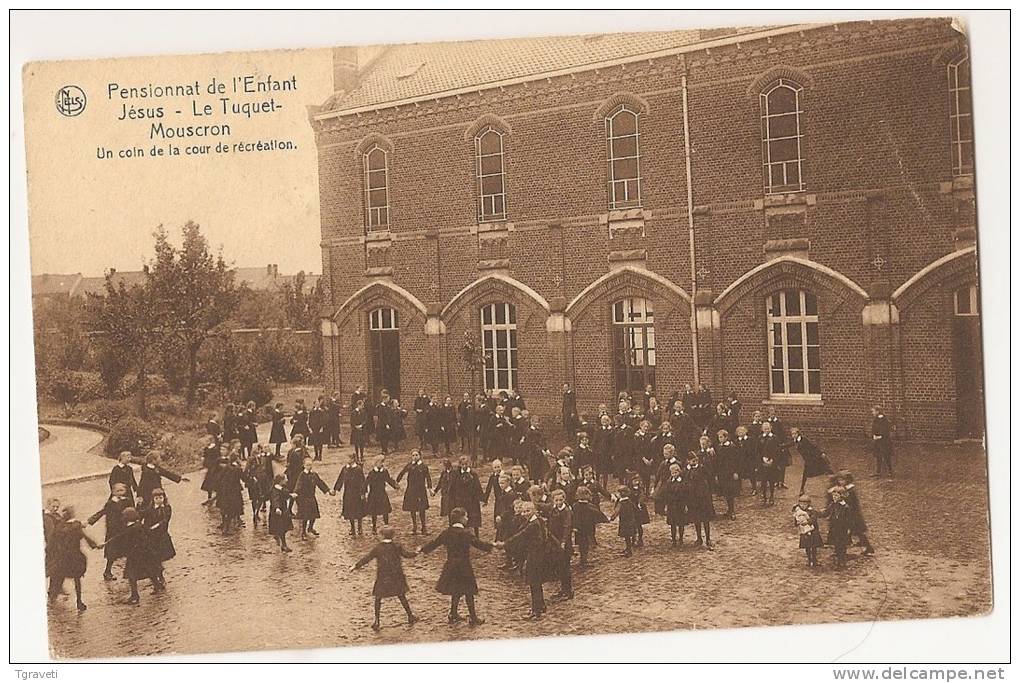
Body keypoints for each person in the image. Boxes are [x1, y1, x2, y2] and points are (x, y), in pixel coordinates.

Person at [417, 507, 497, 625]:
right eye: (466, 516)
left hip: (451, 565)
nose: (467, 518)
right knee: (468, 591)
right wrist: (492, 545)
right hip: (464, 565)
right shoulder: (466, 533)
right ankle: (473, 617)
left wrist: (422, 549)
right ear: (461, 519)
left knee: (456, 589)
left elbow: (435, 543)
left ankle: (453, 614)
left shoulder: (447, 532)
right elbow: (478, 543)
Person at [350, 526, 419, 631]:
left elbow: (367, 558)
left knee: (378, 597)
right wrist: (417, 552)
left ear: (382, 535)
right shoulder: (397, 546)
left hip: (383, 575)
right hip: (396, 575)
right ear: (393, 535)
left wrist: (356, 566)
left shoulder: (378, 547)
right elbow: (407, 555)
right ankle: (410, 616)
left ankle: (377, 621)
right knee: (401, 595)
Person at [505, 501, 556, 619]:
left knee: (534, 583)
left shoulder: (533, 524)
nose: (525, 513)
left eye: (528, 511)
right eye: (523, 511)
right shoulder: (535, 521)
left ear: (533, 510)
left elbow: (521, 535)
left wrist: (505, 544)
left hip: (535, 556)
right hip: (536, 555)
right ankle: (541, 605)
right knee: (536, 582)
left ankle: (535, 611)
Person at [46, 505, 98, 611]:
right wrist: (95, 545)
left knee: (58, 577)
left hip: (62, 557)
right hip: (76, 557)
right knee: (77, 579)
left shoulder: (59, 527)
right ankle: (79, 601)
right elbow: (85, 537)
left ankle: (52, 598)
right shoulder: (76, 526)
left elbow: (52, 542)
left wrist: (50, 553)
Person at [87, 482, 132, 580]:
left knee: (130, 550)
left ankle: (130, 571)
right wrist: (90, 520)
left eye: (122, 490)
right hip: (113, 531)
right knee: (112, 553)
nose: (120, 492)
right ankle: (107, 572)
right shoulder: (110, 503)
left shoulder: (127, 501)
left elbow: (132, 511)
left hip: (125, 530)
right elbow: (102, 512)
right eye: (118, 491)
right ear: (113, 492)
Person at [140, 488, 175, 587]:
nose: (159, 500)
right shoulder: (150, 509)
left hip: (162, 537)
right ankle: (157, 577)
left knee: (159, 558)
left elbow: (165, 520)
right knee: (154, 558)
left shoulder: (167, 508)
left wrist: (156, 526)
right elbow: (142, 514)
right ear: (153, 499)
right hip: (151, 537)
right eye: (156, 498)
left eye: (161, 497)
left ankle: (160, 577)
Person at [294, 457, 335, 539]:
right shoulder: (302, 475)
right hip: (304, 498)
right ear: (304, 465)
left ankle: (310, 528)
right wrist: (296, 493)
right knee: (305, 516)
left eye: (310, 465)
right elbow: (298, 485)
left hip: (312, 497)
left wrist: (328, 490)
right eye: (307, 465)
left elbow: (320, 483)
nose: (309, 466)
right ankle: (303, 532)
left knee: (314, 515)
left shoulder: (314, 475)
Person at [839, 471, 876, 556]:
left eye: (843, 480)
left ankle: (868, 548)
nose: (841, 482)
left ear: (848, 480)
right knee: (854, 532)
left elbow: (852, 503)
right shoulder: (846, 489)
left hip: (853, 515)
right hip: (849, 514)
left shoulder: (850, 490)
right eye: (840, 480)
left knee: (857, 532)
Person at [396, 449, 433, 535]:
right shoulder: (409, 465)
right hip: (411, 490)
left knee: (422, 509)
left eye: (416, 455)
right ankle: (414, 526)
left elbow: (428, 477)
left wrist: (430, 488)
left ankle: (424, 527)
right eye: (413, 455)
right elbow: (402, 473)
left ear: (420, 456)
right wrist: (397, 482)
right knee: (412, 509)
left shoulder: (423, 466)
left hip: (420, 491)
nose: (415, 457)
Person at [789, 427, 834, 495]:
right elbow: (788, 444)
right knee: (805, 474)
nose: (793, 435)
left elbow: (813, 446)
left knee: (826, 469)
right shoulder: (795, 441)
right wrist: (780, 447)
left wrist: (821, 453)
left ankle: (834, 484)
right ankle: (802, 489)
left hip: (815, 458)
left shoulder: (804, 439)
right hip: (808, 460)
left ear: (798, 433)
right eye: (792, 434)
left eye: (795, 433)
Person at [570, 486, 608, 567]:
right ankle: (584, 560)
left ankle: (583, 559)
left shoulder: (575, 505)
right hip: (587, 529)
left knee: (581, 544)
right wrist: (605, 519)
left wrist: (574, 526)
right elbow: (598, 514)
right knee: (585, 544)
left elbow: (574, 517)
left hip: (579, 529)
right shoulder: (590, 506)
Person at [547, 489, 574, 600]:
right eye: (556, 500)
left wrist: (563, 541)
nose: (558, 502)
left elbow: (567, 527)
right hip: (555, 542)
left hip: (563, 544)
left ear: (564, 499)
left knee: (565, 567)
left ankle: (568, 591)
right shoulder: (553, 510)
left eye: (560, 500)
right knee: (559, 567)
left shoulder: (566, 512)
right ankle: (563, 590)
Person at [685, 451, 715, 550]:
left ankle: (708, 538)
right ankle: (699, 538)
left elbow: (709, 476)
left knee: (705, 519)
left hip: (703, 497)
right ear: (688, 461)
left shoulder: (701, 468)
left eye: (695, 460)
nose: (693, 462)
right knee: (696, 519)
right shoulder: (686, 470)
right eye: (691, 461)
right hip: (692, 498)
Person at [449, 456, 484, 536]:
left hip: (472, 500)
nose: (464, 466)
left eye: (466, 464)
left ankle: (476, 535)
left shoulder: (473, 474)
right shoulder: (456, 474)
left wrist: (482, 498)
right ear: (460, 465)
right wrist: (452, 498)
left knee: (473, 518)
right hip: (460, 500)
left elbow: (477, 486)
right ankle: (462, 535)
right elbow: (452, 487)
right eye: (462, 464)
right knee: (461, 517)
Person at [365, 456, 400, 534]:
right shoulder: (371, 473)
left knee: (385, 510)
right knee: (374, 512)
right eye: (381, 462)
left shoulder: (384, 472)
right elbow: (366, 482)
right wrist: (363, 492)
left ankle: (386, 525)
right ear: (376, 463)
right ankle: (374, 527)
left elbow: (388, 480)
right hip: (373, 494)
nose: (382, 464)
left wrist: (395, 486)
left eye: (383, 462)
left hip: (382, 493)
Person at [334, 454, 367, 536]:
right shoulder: (345, 469)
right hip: (348, 493)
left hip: (357, 493)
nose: (347, 460)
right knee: (350, 511)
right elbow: (340, 479)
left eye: (348, 458)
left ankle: (359, 527)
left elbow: (363, 482)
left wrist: (363, 493)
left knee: (358, 510)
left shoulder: (358, 469)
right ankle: (352, 528)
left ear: (353, 459)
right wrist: (335, 489)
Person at [824, 486, 853, 569]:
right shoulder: (832, 504)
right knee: (836, 544)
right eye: (833, 496)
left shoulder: (846, 507)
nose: (834, 498)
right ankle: (838, 561)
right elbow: (826, 512)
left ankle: (842, 561)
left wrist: (849, 529)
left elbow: (849, 519)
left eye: (836, 496)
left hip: (842, 529)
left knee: (842, 546)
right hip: (834, 528)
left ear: (842, 496)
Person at [659, 462, 688, 547]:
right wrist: (666, 505)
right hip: (671, 505)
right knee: (673, 524)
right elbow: (666, 494)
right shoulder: (669, 482)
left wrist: (685, 505)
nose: (674, 474)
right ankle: (674, 540)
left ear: (679, 472)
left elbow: (685, 494)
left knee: (681, 523)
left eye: (676, 472)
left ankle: (681, 539)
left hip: (680, 505)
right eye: (672, 473)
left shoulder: (682, 482)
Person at [714, 429, 741, 520]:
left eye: (721, 437)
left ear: (726, 437)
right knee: (725, 491)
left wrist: (735, 472)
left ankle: (732, 510)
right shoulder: (719, 447)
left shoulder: (732, 447)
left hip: (730, 472)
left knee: (730, 492)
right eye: (719, 437)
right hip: (722, 472)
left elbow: (735, 460)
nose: (720, 439)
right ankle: (729, 510)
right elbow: (717, 461)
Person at [215, 456, 245, 534]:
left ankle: (225, 526)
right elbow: (244, 478)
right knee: (232, 510)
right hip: (234, 493)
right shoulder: (237, 469)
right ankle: (226, 529)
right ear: (236, 460)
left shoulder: (226, 468)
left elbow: (219, 478)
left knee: (225, 509)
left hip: (224, 492)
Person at [244, 445, 272, 527]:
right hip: (253, 482)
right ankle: (255, 513)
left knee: (260, 497)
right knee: (254, 498)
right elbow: (247, 470)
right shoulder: (251, 459)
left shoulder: (263, 458)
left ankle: (255, 513)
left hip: (262, 481)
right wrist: (252, 477)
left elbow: (265, 468)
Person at [268, 474, 297, 552]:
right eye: (285, 479)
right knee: (282, 528)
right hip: (278, 512)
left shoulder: (280, 488)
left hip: (283, 510)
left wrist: (291, 495)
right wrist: (277, 508)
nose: (287, 480)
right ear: (281, 481)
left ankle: (278, 536)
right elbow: (275, 500)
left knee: (284, 527)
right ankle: (284, 545)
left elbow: (285, 494)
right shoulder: (274, 490)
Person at [792, 494, 823, 567]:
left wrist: (808, 521)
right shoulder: (798, 512)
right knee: (807, 547)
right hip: (804, 532)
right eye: (801, 504)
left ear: (808, 504)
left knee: (814, 546)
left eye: (805, 504)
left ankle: (814, 559)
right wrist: (797, 522)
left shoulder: (812, 511)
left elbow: (814, 519)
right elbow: (796, 522)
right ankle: (809, 559)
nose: (803, 505)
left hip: (813, 531)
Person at [610, 486, 639, 557]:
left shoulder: (621, 503)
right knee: (629, 536)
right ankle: (628, 548)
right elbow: (636, 510)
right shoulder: (630, 502)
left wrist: (611, 518)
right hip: (631, 521)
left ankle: (628, 551)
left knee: (627, 537)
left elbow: (616, 512)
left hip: (624, 522)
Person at [758, 422, 780, 505]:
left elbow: (777, 451)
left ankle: (771, 496)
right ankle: (763, 496)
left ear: (771, 428)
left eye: (768, 428)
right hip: (763, 462)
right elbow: (757, 451)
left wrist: (772, 460)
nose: (766, 430)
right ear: (762, 429)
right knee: (763, 481)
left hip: (772, 463)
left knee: (771, 480)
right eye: (765, 429)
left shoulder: (775, 438)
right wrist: (762, 459)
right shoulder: (760, 438)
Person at [871, 406, 894, 477]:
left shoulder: (884, 420)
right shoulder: (876, 419)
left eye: (873, 411)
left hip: (884, 441)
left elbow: (886, 430)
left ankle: (890, 471)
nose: (872, 413)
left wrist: (880, 436)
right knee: (878, 456)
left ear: (878, 411)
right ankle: (878, 471)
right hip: (878, 441)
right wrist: (874, 435)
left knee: (886, 456)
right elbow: (874, 428)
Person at [200, 439, 221, 506]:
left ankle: (217, 497)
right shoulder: (206, 449)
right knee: (209, 483)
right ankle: (210, 497)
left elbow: (217, 458)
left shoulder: (215, 448)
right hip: (209, 468)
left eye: (207, 441)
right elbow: (205, 456)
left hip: (214, 468)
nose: (206, 443)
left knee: (215, 482)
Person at [350, 399, 368, 463]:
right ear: (358, 405)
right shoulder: (353, 413)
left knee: (362, 444)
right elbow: (352, 421)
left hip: (362, 430)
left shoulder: (363, 412)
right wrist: (356, 427)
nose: (363, 407)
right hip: (355, 431)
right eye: (362, 405)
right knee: (356, 444)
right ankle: (357, 456)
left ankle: (362, 456)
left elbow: (365, 420)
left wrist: (361, 425)